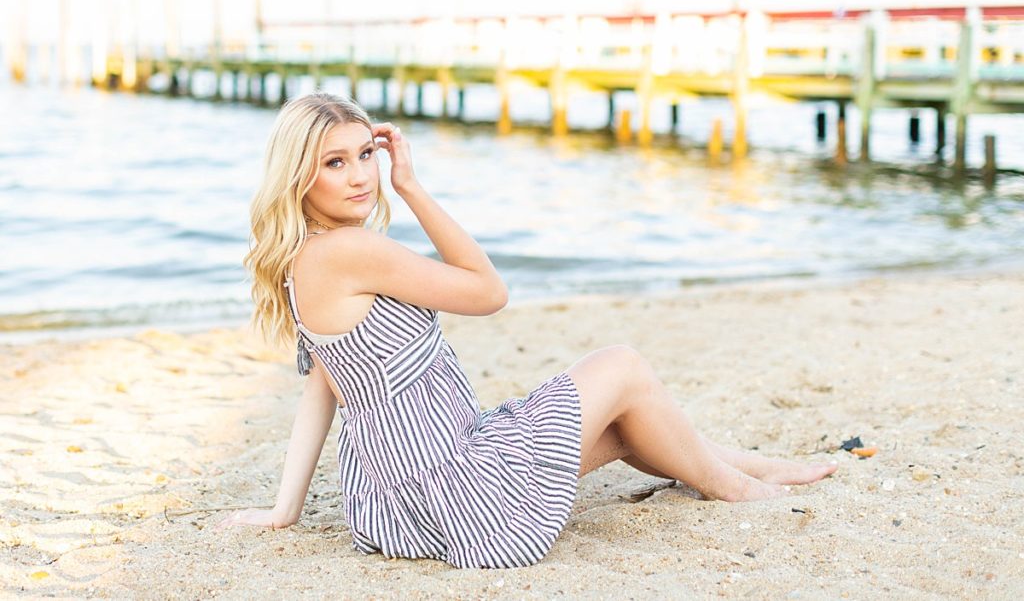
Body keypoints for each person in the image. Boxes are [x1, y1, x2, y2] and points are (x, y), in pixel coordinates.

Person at [217, 91, 837, 568]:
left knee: (626, 428)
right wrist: (411, 185)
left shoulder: (311, 258)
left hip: (393, 504)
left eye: (367, 156)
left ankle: (749, 467)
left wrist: (285, 510)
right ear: (300, 175)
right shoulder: (350, 252)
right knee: (620, 364)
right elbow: (489, 291)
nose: (360, 176)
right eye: (335, 162)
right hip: (453, 488)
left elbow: (323, 388)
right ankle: (735, 486)